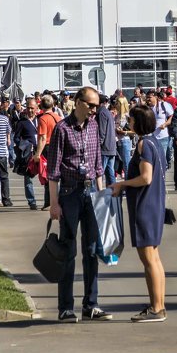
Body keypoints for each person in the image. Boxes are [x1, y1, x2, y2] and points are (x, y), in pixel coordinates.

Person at [48, 86, 114, 323]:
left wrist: (101, 195)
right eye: (90, 105)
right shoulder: (61, 129)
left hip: (90, 192)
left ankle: (91, 304)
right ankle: (66, 307)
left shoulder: (94, 126)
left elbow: (98, 165)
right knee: (68, 250)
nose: (94, 110)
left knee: (91, 250)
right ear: (77, 103)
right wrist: (54, 204)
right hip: (69, 193)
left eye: (97, 106)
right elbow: (53, 171)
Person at [109, 104, 167, 322]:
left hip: (144, 205)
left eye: (131, 119)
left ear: (138, 122)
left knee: (148, 259)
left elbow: (146, 177)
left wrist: (121, 184)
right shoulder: (154, 142)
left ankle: (156, 308)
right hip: (154, 205)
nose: (128, 122)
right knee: (155, 259)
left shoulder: (144, 144)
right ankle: (158, 305)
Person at [13, 97, 40, 209]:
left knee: (46, 175)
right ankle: (32, 201)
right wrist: (24, 145)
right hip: (29, 153)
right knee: (28, 177)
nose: (30, 110)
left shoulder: (40, 119)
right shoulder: (22, 122)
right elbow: (16, 138)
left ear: (37, 108)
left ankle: (49, 200)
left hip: (41, 151)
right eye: (28, 108)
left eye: (32, 108)